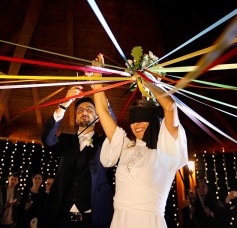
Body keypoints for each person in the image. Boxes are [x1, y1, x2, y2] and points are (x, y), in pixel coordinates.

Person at [90, 53, 188, 228]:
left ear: (153, 120)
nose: (137, 125)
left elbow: (170, 107)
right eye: (133, 120)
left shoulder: (167, 150)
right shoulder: (126, 146)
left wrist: (145, 78)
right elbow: (103, 112)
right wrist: (98, 76)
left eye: (142, 118)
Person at [39, 84, 116, 228]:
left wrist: (100, 95)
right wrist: (64, 104)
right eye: (80, 110)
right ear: (75, 118)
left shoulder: (104, 142)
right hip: (60, 218)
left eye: (89, 110)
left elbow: (113, 126)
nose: (84, 112)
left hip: (92, 220)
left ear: (98, 118)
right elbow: (47, 139)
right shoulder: (65, 140)